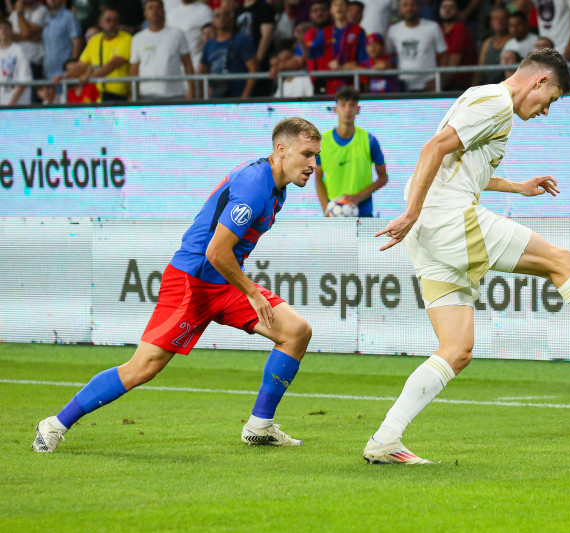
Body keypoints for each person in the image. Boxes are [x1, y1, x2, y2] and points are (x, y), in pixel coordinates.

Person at [363, 47, 570, 464]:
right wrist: (413, 212)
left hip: (431, 229)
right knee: (561, 261)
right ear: (539, 81)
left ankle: (385, 439)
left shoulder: (484, 100)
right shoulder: (497, 102)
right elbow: (432, 149)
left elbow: (457, 162)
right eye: (551, 99)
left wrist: (516, 187)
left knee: (457, 349)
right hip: (446, 218)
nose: (546, 111)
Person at [32, 117, 322, 453]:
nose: (313, 164)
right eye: (307, 154)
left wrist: (246, 290)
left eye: (316, 156)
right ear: (281, 150)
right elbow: (216, 251)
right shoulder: (256, 184)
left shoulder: (278, 187)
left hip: (223, 281)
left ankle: (260, 426)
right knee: (143, 368)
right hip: (191, 282)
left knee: (296, 331)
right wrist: (253, 294)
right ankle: (54, 424)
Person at [315, 87, 388, 217]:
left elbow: (383, 177)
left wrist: (358, 197)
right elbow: (318, 178)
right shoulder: (322, 142)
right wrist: (326, 208)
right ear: (335, 109)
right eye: (343, 105)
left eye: (352, 105)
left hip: (364, 213)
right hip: (334, 214)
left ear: (358, 109)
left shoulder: (369, 141)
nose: (348, 109)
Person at [130, 0, 194, 100]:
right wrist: (132, 94)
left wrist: (191, 91)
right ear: (145, 14)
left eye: (158, 7)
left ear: (164, 11)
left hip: (175, 94)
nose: (154, 11)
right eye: (150, 8)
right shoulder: (137, 38)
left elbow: (188, 64)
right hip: (147, 95)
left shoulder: (177, 34)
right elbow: (134, 69)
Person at [304, 0, 367, 95]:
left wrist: (343, 67)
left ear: (348, 8)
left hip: (352, 83)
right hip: (331, 86)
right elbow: (310, 54)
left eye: (342, 4)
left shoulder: (358, 31)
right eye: (336, 4)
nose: (339, 7)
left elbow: (363, 60)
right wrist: (301, 41)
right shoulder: (325, 32)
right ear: (331, 10)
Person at [386, 0, 447, 92]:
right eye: (405, 5)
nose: (409, 8)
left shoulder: (432, 27)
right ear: (399, 9)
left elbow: (444, 56)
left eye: (413, 4)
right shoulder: (393, 30)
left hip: (429, 86)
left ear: (419, 7)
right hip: (402, 87)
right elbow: (389, 56)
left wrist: (439, 79)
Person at [199, 8, 257, 98]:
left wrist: (246, 94)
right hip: (216, 96)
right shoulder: (209, 45)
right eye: (217, 16)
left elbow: (253, 69)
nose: (221, 18)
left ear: (232, 20)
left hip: (237, 95)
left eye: (226, 15)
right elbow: (203, 70)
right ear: (213, 21)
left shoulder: (242, 40)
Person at [77, 7, 131, 101]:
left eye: (115, 21)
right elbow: (81, 65)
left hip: (120, 98)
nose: (112, 24)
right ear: (100, 23)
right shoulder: (94, 40)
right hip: (98, 97)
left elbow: (113, 64)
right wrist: (65, 76)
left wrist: (90, 77)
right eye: (108, 20)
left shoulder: (126, 38)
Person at [438, 0, 476, 91]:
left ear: (458, 11)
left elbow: (453, 63)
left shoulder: (460, 29)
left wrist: (440, 86)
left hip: (459, 86)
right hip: (444, 81)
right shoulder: (439, 30)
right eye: (444, 7)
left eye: (451, 7)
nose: (447, 10)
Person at [41, 0, 82, 82]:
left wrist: (72, 67)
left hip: (64, 73)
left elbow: (77, 42)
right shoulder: (44, 17)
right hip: (47, 73)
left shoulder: (69, 16)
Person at [167, 0, 212, 70]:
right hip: (175, 65)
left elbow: (209, 37)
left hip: (196, 63)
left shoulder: (204, 10)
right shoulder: (171, 13)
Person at [8, 0, 46, 83]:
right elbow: (6, 35)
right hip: (16, 64)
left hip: (33, 63)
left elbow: (26, 33)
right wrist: (27, 36)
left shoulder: (41, 10)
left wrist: (20, 13)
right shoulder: (14, 14)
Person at [0, 15, 32, 106]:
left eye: (6, 28)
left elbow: (24, 81)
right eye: (0, 28)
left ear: (11, 31)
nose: (3, 31)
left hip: (18, 104)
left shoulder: (19, 51)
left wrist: (11, 105)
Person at [475, 5, 510, 86]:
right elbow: (480, 69)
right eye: (495, 18)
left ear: (508, 20)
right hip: (488, 86)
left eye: (502, 18)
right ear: (490, 21)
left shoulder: (514, 40)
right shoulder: (487, 43)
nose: (499, 21)